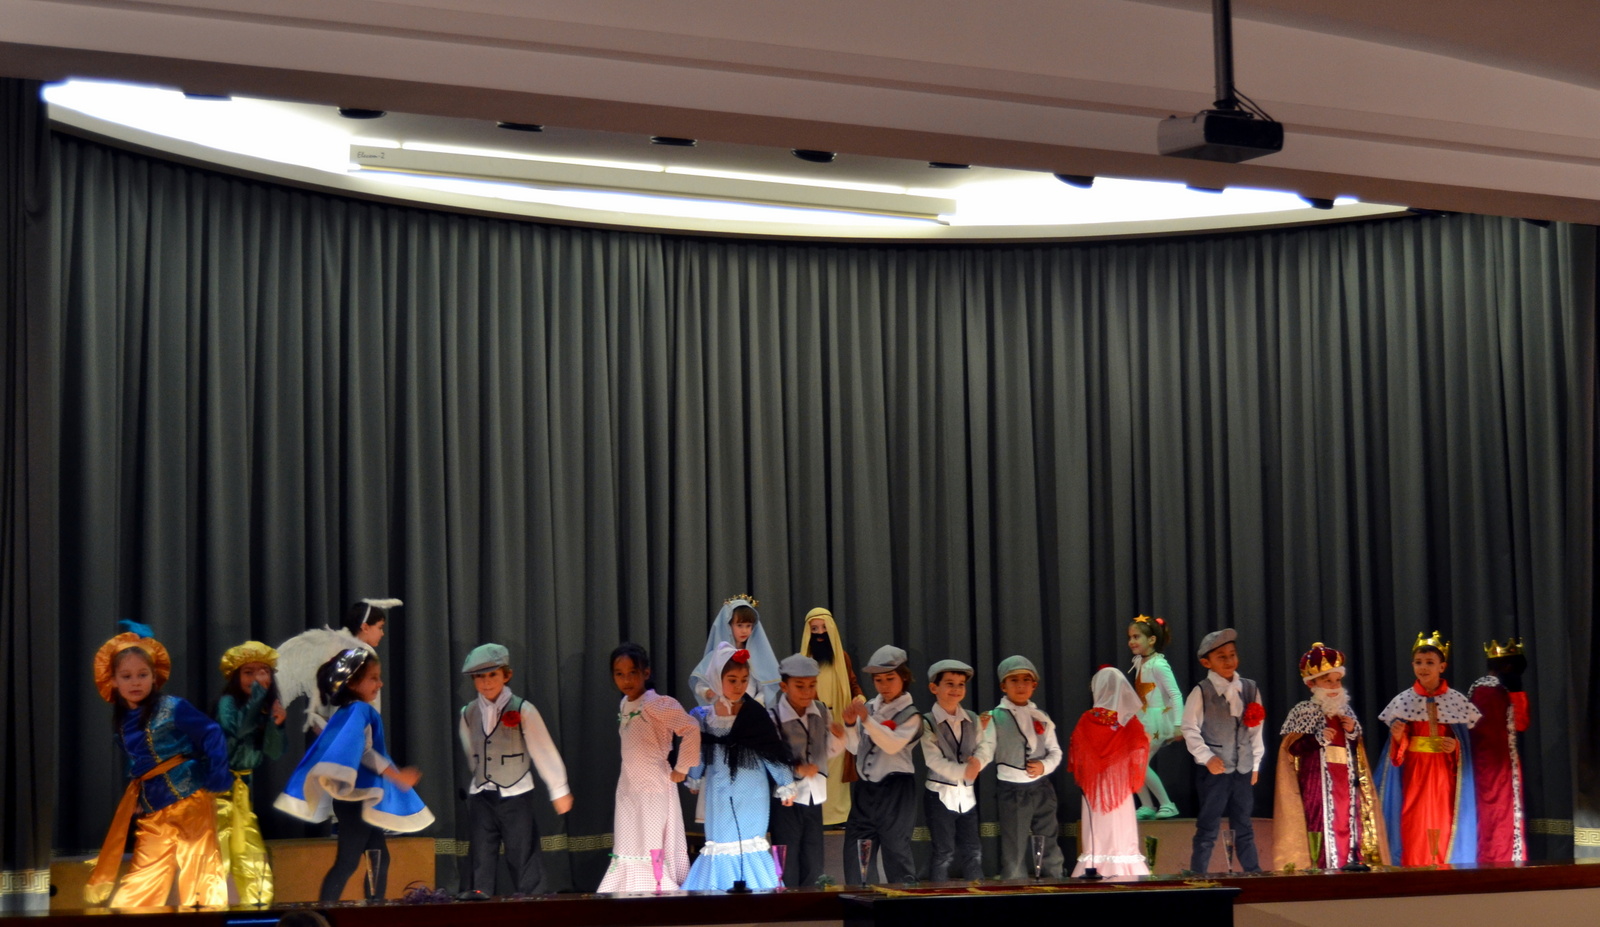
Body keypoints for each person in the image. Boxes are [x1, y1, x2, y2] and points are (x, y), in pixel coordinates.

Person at [87, 625, 232, 908]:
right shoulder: (122, 722)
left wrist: (217, 773)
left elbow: (211, 732)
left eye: (143, 675)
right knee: (145, 872)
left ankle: (205, 918)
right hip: (154, 806)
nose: (135, 682)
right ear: (113, 681)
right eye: (127, 676)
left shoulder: (173, 707)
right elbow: (138, 763)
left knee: (199, 866)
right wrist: (139, 797)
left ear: (154, 677)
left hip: (189, 797)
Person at [274, 649, 433, 901]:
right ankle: (328, 910)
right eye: (373, 678)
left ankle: (372, 908)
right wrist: (396, 776)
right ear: (352, 683)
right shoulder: (359, 709)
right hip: (356, 799)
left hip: (359, 798)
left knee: (377, 856)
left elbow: (348, 743)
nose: (380, 684)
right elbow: (364, 751)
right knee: (349, 861)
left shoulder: (349, 711)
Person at [457, 643, 572, 898]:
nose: (486, 682)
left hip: (516, 793)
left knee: (522, 853)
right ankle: (478, 901)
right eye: (479, 676)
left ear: (506, 675)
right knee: (481, 855)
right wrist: (480, 774)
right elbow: (471, 749)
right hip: (482, 795)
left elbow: (543, 749)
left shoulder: (522, 709)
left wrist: (559, 788)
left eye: (492, 675)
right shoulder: (468, 712)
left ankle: (532, 902)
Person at [682, 643, 798, 890]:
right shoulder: (704, 716)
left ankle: (757, 890)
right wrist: (695, 776)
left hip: (752, 790)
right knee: (722, 839)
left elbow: (771, 751)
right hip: (719, 789)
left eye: (744, 680)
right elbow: (699, 750)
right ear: (717, 679)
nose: (739, 686)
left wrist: (786, 783)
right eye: (732, 680)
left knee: (749, 840)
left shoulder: (755, 713)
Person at [1271, 643, 1389, 870]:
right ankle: (1323, 868)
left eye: (1338, 680)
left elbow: (1356, 750)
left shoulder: (1346, 711)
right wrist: (1317, 739)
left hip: (1346, 782)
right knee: (1321, 825)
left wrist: (1352, 732)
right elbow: (1292, 749)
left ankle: (1348, 866)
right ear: (1312, 684)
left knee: (1348, 823)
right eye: (1328, 681)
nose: (1335, 686)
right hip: (1317, 784)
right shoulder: (1303, 711)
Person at [596, 643, 702, 893]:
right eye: (619, 674)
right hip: (628, 785)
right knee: (629, 838)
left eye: (632, 672)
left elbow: (690, 727)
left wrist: (682, 767)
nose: (626, 680)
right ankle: (628, 885)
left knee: (651, 838)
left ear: (646, 672)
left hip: (654, 784)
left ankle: (655, 884)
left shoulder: (656, 704)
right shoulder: (625, 703)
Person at [1378, 631, 1481, 866]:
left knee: (1444, 818)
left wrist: (1456, 747)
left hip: (1444, 774)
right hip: (1415, 773)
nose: (1423, 667)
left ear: (1442, 666)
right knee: (1414, 820)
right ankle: (1415, 867)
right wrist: (1398, 738)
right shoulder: (1404, 701)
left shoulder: (1456, 701)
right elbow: (1395, 755)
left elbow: (1466, 745)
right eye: (1418, 662)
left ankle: (1444, 868)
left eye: (1430, 662)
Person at [1181, 628, 1266, 874]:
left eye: (1232, 655)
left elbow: (1256, 730)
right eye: (1221, 657)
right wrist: (1207, 757)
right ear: (1206, 662)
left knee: (1244, 824)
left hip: (1243, 768)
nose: (1229, 661)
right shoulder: (1202, 691)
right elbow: (1189, 728)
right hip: (1215, 771)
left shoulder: (1249, 688)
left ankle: (1252, 872)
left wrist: (1255, 764)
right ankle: (1199, 874)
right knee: (1208, 825)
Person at [213, 641, 288, 905]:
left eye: (263, 672)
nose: (256, 678)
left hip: (243, 791)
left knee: (249, 852)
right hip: (218, 790)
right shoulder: (227, 703)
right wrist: (258, 697)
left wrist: (276, 725)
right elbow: (237, 729)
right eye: (248, 672)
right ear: (236, 677)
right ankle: (211, 907)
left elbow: (274, 751)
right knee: (219, 850)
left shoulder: (265, 709)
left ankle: (254, 906)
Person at [842, 645, 923, 884]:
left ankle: (904, 901)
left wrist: (866, 720)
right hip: (865, 790)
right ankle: (861, 898)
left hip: (896, 790)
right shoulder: (869, 707)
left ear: (904, 678)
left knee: (896, 851)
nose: (884, 685)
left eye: (890, 678)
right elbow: (854, 748)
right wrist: (849, 725)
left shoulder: (911, 715)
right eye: (878, 680)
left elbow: (891, 744)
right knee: (857, 852)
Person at [768, 653, 846, 887]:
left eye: (812, 685)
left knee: (813, 853)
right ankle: (786, 896)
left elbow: (827, 751)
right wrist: (797, 768)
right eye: (799, 686)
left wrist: (839, 738)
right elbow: (769, 757)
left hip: (814, 792)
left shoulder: (821, 711)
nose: (807, 692)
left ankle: (812, 896)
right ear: (784, 686)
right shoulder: (773, 716)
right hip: (786, 795)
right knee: (787, 854)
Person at [1068, 667, 1150, 879]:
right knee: (1120, 831)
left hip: (1094, 788)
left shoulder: (1088, 719)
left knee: (1098, 833)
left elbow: (1076, 751)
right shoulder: (1128, 721)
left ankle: (1096, 869)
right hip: (1119, 787)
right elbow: (1141, 746)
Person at [990, 655, 1065, 879]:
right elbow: (986, 750)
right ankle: (1015, 887)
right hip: (1012, 790)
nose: (1021, 685)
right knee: (1014, 845)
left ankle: (1055, 883)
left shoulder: (1041, 716)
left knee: (1049, 839)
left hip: (1042, 787)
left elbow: (1055, 751)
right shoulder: (994, 717)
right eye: (1014, 680)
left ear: (1034, 685)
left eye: (1026, 680)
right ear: (1003, 686)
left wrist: (1044, 766)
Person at [275, 598, 399, 732]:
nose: (382, 633)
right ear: (365, 627)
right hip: (354, 726)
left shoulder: (337, 648)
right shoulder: (364, 653)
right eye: (380, 627)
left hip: (336, 724)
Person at [920, 659, 994, 881]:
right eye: (950, 684)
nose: (956, 689)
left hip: (967, 795)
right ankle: (939, 893)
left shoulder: (972, 718)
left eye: (961, 684)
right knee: (943, 852)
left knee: (973, 850)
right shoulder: (927, 722)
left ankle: (977, 892)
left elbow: (984, 746)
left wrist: (978, 763)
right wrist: (964, 771)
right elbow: (934, 760)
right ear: (934, 687)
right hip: (940, 794)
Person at [799, 607, 866, 826]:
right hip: (812, 721)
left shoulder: (842, 658)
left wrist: (859, 697)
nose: (820, 633)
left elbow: (853, 683)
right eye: (814, 629)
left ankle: (838, 816)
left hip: (838, 719)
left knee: (837, 772)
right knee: (816, 767)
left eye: (823, 628)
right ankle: (816, 816)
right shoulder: (803, 660)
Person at [1468, 637, 1531, 863]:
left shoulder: (1481, 689)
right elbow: (1520, 723)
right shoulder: (1495, 691)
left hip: (1484, 764)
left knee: (1490, 815)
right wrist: (1517, 694)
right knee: (1498, 815)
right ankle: (1501, 861)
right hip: (1499, 765)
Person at [1127, 615, 1182, 819]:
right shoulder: (1140, 662)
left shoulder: (1158, 665)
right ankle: (1148, 805)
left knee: (1139, 762)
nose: (1131, 641)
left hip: (1156, 721)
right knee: (1133, 763)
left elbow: (1175, 694)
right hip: (1143, 719)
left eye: (1136, 637)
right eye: (1130, 637)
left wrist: (1178, 724)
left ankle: (1167, 804)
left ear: (1151, 640)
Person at [688, 595, 781, 708]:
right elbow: (701, 683)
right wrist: (706, 692)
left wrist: (757, 702)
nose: (744, 631)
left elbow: (765, 687)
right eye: (739, 625)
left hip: (749, 710)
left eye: (748, 626)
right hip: (723, 709)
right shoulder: (717, 656)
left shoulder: (758, 657)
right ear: (728, 626)